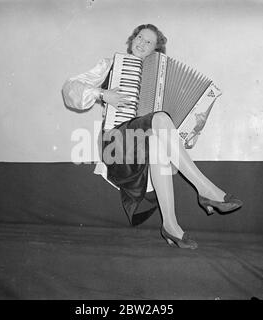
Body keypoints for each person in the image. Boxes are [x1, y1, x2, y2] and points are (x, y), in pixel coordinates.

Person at [62, 24, 243, 249]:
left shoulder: (161, 76)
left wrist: (193, 128)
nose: (141, 43)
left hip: (141, 150)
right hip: (117, 146)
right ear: (131, 39)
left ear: (155, 51)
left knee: (158, 139)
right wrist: (102, 93)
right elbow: (70, 89)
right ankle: (206, 190)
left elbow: (180, 138)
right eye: (139, 37)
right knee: (159, 118)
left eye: (148, 42)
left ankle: (171, 226)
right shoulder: (111, 65)